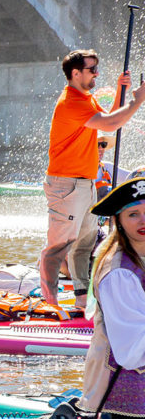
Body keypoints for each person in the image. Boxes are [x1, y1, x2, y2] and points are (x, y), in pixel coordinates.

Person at [41, 49, 145, 312]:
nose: (97, 74)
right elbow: (110, 125)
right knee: (58, 246)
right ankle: (49, 303)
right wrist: (137, 101)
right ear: (76, 74)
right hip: (66, 184)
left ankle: (80, 300)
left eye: (97, 69)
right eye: (92, 70)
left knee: (85, 243)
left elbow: (106, 119)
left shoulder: (84, 98)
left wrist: (123, 92)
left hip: (84, 182)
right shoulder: (71, 101)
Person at [79, 179, 145, 419]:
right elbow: (130, 353)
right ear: (118, 220)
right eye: (133, 214)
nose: (143, 220)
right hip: (129, 384)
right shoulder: (119, 272)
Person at [96, 134, 131, 202]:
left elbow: (133, 177)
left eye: (103, 144)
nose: (101, 148)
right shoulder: (77, 171)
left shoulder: (107, 168)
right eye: (97, 144)